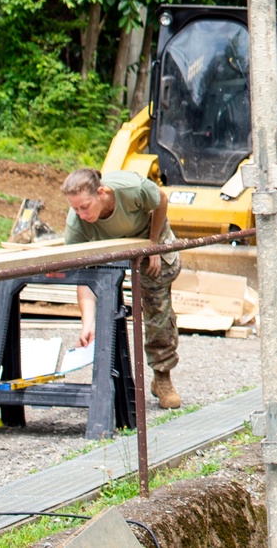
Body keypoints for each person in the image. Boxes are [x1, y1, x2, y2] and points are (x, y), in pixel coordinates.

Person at [62, 167, 182, 410]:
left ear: (102, 193)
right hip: (107, 245)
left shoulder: (131, 189)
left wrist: (154, 244)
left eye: (85, 207)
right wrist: (87, 324)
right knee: (105, 293)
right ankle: (114, 377)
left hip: (148, 234)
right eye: (75, 208)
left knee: (157, 303)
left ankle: (162, 377)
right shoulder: (77, 225)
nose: (81, 214)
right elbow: (84, 279)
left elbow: (161, 200)